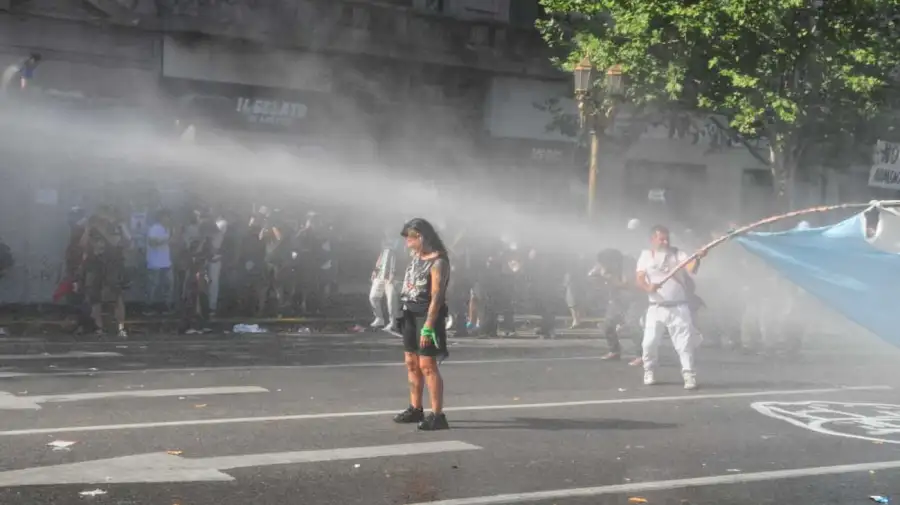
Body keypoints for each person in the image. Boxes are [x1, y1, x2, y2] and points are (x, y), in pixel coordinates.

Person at [393, 218, 451, 431]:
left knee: (427, 365)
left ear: (422, 237)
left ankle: (437, 415)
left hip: (426, 317)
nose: (407, 241)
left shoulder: (439, 262)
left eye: (410, 237)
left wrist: (428, 325)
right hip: (409, 313)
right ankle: (415, 407)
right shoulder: (416, 256)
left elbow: (437, 296)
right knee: (411, 362)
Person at [635, 225, 704, 390]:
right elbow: (640, 278)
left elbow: (691, 269)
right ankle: (649, 370)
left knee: (684, 344)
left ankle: (689, 375)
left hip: (679, 307)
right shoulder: (645, 255)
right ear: (653, 239)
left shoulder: (678, 253)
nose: (665, 242)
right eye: (661, 239)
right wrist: (647, 288)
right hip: (655, 307)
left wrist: (698, 257)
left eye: (667, 238)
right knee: (649, 343)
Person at [369, 229, 399, 329]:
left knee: (391, 301)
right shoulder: (383, 241)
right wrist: (375, 269)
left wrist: (393, 272)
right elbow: (381, 255)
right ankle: (379, 318)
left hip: (391, 275)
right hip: (380, 274)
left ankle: (393, 322)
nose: (387, 230)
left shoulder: (400, 241)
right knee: (373, 297)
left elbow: (398, 256)